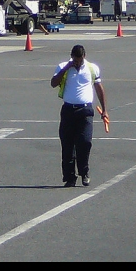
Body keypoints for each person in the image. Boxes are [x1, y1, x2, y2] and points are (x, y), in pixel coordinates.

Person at [50, 44, 109, 187]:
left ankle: (84, 172)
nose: (77, 63)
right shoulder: (63, 66)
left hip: (85, 111)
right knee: (67, 145)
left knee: (85, 142)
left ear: (84, 57)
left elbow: (99, 88)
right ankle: (70, 177)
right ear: (71, 57)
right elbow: (53, 83)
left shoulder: (92, 68)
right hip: (68, 110)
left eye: (80, 61)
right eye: (75, 61)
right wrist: (66, 68)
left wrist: (105, 110)